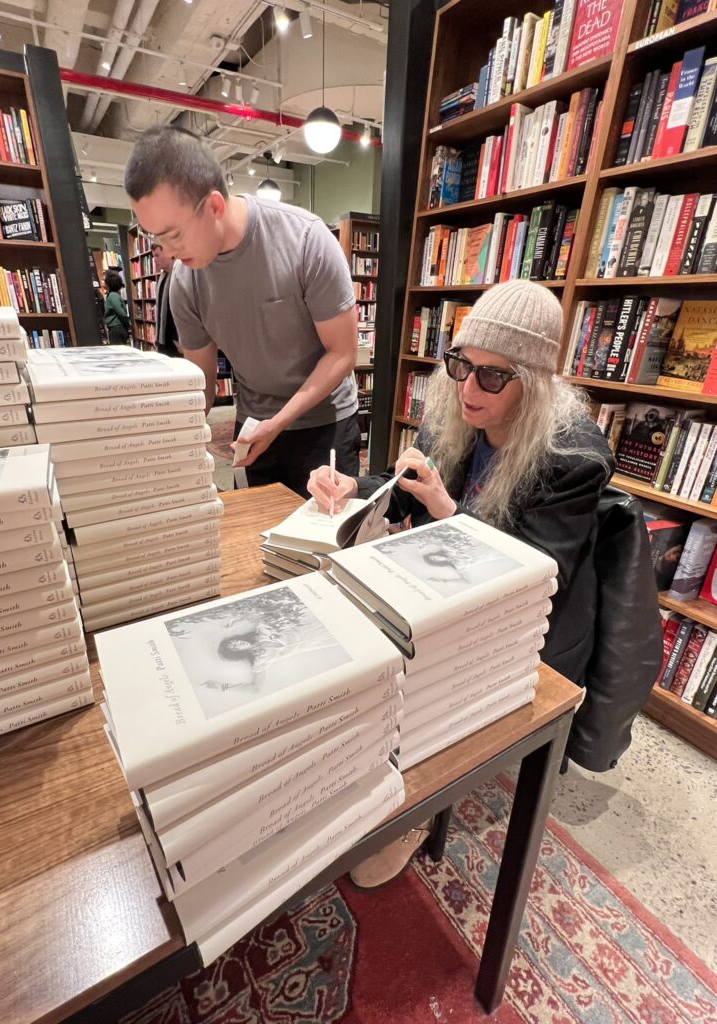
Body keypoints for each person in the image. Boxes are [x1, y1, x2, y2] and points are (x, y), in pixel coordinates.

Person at [308, 280, 616, 889]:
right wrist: (357, 489)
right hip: (449, 588)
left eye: (492, 377)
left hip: (528, 630)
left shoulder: (573, 457)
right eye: (460, 367)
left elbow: (535, 574)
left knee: (406, 656)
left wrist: (449, 512)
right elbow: (408, 478)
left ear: (532, 381)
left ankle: (417, 801)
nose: (468, 389)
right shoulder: (458, 406)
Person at [124, 125, 361, 497]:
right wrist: (168, 444)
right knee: (255, 541)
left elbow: (343, 353)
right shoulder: (185, 281)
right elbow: (201, 382)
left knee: (328, 545)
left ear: (215, 206)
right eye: (157, 240)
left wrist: (279, 422)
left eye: (174, 235)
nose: (167, 253)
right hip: (253, 428)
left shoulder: (305, 240)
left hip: (324, 422)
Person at [152, 242, 181, 358]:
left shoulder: (179, 274)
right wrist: (157, 335)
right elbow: (160, 310)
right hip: (163, 340)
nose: (154, 259)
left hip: (177, 342)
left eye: (157, 255)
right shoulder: (162, 278)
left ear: (168, 253)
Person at [103, 270, 131, 344]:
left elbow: (121, 312)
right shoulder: (114, 295)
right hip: (117, 327)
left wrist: (127, 324)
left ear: (109, 284)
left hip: (117, 328)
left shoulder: (113, 296)